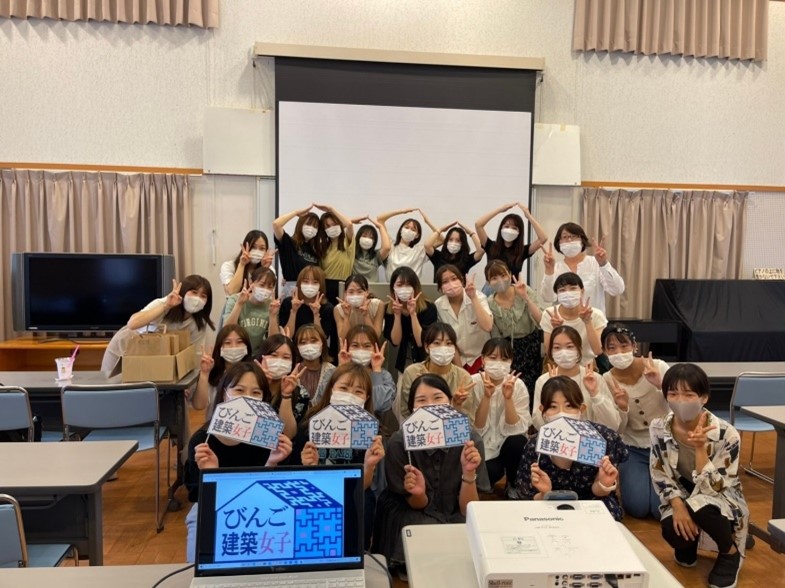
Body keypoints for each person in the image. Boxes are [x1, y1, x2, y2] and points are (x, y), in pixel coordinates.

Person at [371, 373, 484, 575]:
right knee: (424, 526)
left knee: (468, 531)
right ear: (412, 408)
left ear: (450, 402)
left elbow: (468, 509)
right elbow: (415, 503)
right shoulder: (399, 441)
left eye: (438, 397)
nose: (431, 405)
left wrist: (468, 473)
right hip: (411, 506)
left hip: (456, 507)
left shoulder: (470, 439)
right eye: (421, 400)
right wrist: (419, 493)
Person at [183, 362, 293, 562]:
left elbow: (272, 494)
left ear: (264, 399)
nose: (247, 398)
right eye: (239, 390)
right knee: (199, 558)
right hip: (212, 506)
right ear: (225, 394)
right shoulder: (202, 441)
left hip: (259, 506)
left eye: (256, 393)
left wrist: (271, 464)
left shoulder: (267, 438)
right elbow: (198, 497)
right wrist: (212, 474)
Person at [650, 363, 748, 588]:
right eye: (673, 393)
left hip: (721, 494)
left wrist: (700, 448)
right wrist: (678, 506)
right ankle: (689, 544)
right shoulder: (658, 427)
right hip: (682, 489)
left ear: (704, 398)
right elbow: (659, 472)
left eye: (689, 394)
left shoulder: (727, 434)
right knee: (671, 528)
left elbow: (717, 487)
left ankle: (729, 552)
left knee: (701, 508)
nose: (680, 400)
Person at [291, 363, 385, 548]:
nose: (350, 395)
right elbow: (298, 478)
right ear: (331, 389)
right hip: (315, 495)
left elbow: (363, 486)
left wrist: (369, 465)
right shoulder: (311, 424)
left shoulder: (370, 431)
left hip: (353, 497)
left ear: (366, 398)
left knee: (363, 505)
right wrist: (309, 467)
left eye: (358, 392)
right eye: (343, 388)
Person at [515, 376, 628, 521]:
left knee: (606, 517)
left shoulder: (604, 438)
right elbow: (526, 496)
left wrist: (603, 484)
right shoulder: (535, 446)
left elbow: (599, 492)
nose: (561, 413)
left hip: (592, 502)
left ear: (581, 409)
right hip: (549, 504)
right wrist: (545, 493)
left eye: (569, 406)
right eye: (553, 407)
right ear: (543, 410)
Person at [601, 324, 669, 519]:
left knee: (659, 509)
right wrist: (622, 408)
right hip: (632, 448)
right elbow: (617, 429)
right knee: (637, 507)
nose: (619, 352)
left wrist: (660, 385)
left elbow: (679, 407)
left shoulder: (658, 366)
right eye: (611, 348)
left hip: (664, 445)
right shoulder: (606, 380)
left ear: (634, 346)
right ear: (604, 352)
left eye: (624, 346)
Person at [101, 275, 214, 377]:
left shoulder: (199, 324)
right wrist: (166, 306)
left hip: (154, 356)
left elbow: (192, 355)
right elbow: (132, 323)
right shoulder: (165, 302)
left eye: (203, 296)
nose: (197, 299)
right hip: (125, 346)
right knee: (110, 385)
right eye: (194, 292)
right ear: (183, 291)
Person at [531, 325, 620, 431]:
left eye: (569, 346)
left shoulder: (595, 379)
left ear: (579, 349)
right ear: (551, 351)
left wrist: (595, 394)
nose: (564, 352)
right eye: (557, 347)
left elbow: (613, 424)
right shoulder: (543, 381)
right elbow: (538, 424)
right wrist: (550, 390)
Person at [471, 338, 530, 495]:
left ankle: (513, 484)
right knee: (491, 472)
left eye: (504, 359)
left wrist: (508, 398)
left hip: (506, 443)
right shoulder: (473, 383)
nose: (498, 363)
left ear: (511, 362)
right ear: (483, 360)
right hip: (482, 445)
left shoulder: (518, 385)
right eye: (493, 357)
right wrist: (486, 396)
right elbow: (476, 429)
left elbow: (516, 429)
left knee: (518, 442)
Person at [539, 222, 625, 315]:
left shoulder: (595, 263)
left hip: (593, 321)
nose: (569, 240)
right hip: (564, 322)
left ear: (582, 240)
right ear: (558, 242)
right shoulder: (555, 268)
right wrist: (549, 270)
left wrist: (603, 264)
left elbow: (617, 289)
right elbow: (548, 298)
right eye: (565, 237)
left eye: (574, 236)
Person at [485, 259, 543, 395]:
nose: (500, 280)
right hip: (508, 350)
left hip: (531, 344)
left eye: (503, 275)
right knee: (512, 387)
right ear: (488, 282)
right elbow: (495, 334)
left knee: (532, 388)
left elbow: (541, 320)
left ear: (510, 275)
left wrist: (525, 297)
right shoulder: (490, 303)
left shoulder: (524, 290)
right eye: (494, 278)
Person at [398, 323, 475, 424]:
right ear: (426, 347)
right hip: (420, 427)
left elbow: (468, 420)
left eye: (449, 343)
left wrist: (455, 406)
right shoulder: (412, 372)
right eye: (437, 343)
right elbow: (406, 411)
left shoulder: (463, 377)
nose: (443, 348)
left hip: (452, 430)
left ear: (455, 348)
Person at [433, 264, 493, 374]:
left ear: (462, 280)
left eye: (454, 278)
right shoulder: (439, 305)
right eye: (445, 282)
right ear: (440, 288)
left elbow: (488, 326)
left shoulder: (479, 297)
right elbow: (448, 340)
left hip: (482, 357)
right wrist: (461, 371)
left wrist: (473, 298)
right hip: (457, 360)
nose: (451, 284)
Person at [540, 272, 607, 367]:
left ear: (582, 291)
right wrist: (556, 329)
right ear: (557, 294)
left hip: (586, 365)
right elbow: (548, 351)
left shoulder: (596, 314)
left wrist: (587, 322)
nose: (568, 293)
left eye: (573, 288)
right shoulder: (550, 314)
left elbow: (598, 350)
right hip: (557, 365)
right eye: (562, 290)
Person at [383, 266, 438, 375]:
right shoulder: (389, 309)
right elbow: (395, 341)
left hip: (426, 363)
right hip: (404, 363)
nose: (404, 288)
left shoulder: (429, 307)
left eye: (408, 284)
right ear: (393, 288)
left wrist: (413, 314)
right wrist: (397, 315)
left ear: (415, 287)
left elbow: (421, 342)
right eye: (399, 285)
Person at [276, 265, 338, 360]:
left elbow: (322, 338)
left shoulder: (327, 308)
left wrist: (316, 314)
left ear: (321, 285)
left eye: (315, 282)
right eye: (305, 281)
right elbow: (286, 336)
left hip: (317, 354)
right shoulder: (288, 303)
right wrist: (294, 311)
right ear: (299, 283)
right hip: (292, 353)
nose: (310, 285)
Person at [474, 202, 548, 279]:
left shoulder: (522, 250)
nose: (509, 230)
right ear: (501, 228)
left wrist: (529, 216)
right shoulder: (490, 246)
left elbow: (543, 238)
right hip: (491, 286)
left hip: (513, 286)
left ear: (519, 232)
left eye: (514, 228)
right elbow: (478, 225)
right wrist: (499, 210)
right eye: (506, 226)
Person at [189, 324, 253, 412]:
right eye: (228, 343)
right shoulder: (213, 375)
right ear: (220, 348)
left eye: (239, 342)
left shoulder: (254, 374)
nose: (234, 347)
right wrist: (204, 374)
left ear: (247, 346)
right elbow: (199, 405)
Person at [255, 334, 307, 438]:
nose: (279, 361)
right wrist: (261, 386)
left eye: (286, 357)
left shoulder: (301, 393)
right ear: (262, 357)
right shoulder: (248, 384)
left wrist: (286, 395)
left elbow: (288, 434)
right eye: (274, 355)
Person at [222, 267, 276, 355]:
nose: (265, 290)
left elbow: (274, 342)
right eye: (262, 285)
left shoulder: (272, 305)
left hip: (258, 355)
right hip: (236, 352)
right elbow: (225, 331)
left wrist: (273, 316)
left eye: (270, 287)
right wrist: (239, 304)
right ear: (251, 283)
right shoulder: (235, 299)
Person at [272, 203, 321, 297]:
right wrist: (296, 213)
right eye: (308, 224)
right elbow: (276, 224)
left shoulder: (315, 250)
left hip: (311, 292)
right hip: (292, 291)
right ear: (301, 224)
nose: (311, 228)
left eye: (315, 226)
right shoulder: (289, 243)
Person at [377, 207, 439, 276]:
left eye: (413, 230)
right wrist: (401, 211)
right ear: (401, 230)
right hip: (392, 283)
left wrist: (427, 222)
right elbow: (380, 220)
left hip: (413, 283)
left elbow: (440, 240)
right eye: (406, 227)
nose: (409, 231)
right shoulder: (390, 245)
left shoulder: (420, 250)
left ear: (417, 235)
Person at [315, 203, 355, 303]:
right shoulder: (323, 247)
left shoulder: (347, 242)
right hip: (326, 286)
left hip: (343, 285)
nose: (332, 228)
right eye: (328, 226)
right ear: (324, 230)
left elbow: (349, 224)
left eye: (334, 224)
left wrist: (331, 209)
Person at [219, 229, 275, 295]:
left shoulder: (269, 269)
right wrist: (241, 265)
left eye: (262, 248)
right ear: (245, 247)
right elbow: (232, 292)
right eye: (253, 247)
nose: (257, 251)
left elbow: (268, 295)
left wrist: (264, 270)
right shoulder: (229, 266)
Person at [293, 323, 336, 405]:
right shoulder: (291, 371)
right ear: (297, 347)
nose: (308, 346)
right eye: (303, 342)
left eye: (313, 341)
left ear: (322, 343)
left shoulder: (332, 371)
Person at [334, 274, 385, 340]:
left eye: (360, 292)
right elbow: (342, 339)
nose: (355, 295)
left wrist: (366, 315)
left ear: (367, 292)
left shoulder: (378, 305)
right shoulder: (338, 309)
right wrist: (346, 316)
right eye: (351, 292)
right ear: (345, 293)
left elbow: (376, 336)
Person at [351, 216, 391, 282]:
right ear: (358, 237)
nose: (367, 239)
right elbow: (344, 228)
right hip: (356, 287)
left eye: (371, 237)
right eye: (364, 236)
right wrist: (351, 222)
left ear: (374, 241)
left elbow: (387, 247)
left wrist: (381, 227)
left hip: (372, 287)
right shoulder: (352, 253)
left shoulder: (376, 255)